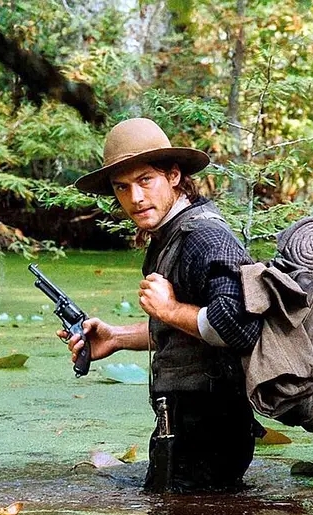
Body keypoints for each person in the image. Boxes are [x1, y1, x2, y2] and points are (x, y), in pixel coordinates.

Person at [65, 117, 263, 493]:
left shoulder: (204, 236)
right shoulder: (169, 234)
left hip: (211, 430)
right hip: (184, 426)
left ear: (174, 176)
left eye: (145, 181)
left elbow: (238, 325)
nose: (135, 198)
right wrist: (118, 336)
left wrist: (169, 309)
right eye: (122, 187)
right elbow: (190, 332)